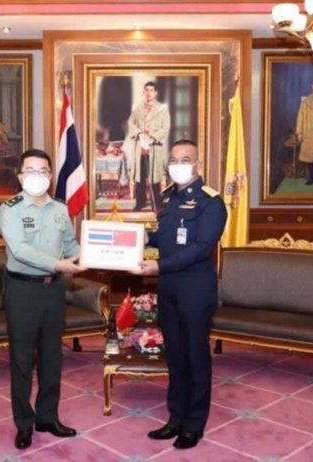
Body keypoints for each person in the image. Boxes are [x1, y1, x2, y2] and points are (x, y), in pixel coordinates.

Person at [130, 139, 227, 450]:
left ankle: (193, 424)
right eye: (173, 159)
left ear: (198, 165)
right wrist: (139, 237)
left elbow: (201, 248)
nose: (177, 165)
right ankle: (175, 418)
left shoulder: (212, 202)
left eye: (185, 159)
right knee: (175, 356)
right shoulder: (169, 196)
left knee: (195, 357)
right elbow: (166, 236)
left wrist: (158, 266)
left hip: (195, 290)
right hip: (169, 288)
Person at [0, 149, 85, 450]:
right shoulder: (9, 209)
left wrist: (89, 256)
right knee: (22, 360)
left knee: (51, 358)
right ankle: (24, 423)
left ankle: (48, 417)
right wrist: (59, 264)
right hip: (22, 291)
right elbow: (20, 250)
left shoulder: (60, 208)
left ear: (50, 175)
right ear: (20, 176)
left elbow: (70, 245)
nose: (38, 176)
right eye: (30, 170)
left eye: (43, 171)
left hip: (53, 291)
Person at [125, 81, 171, 211]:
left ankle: (156, 203)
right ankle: (140, 203)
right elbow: (131, 123)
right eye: (147, 90)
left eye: (151, 90)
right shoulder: (137, 107)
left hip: (154, 147)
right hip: (140, 148)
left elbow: (165, 127)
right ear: (143, 92)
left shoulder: (162, 108)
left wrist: (153, 138)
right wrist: (139, 134)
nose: (149, 93)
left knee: (154, 177)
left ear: (155, 93)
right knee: (140, 177)